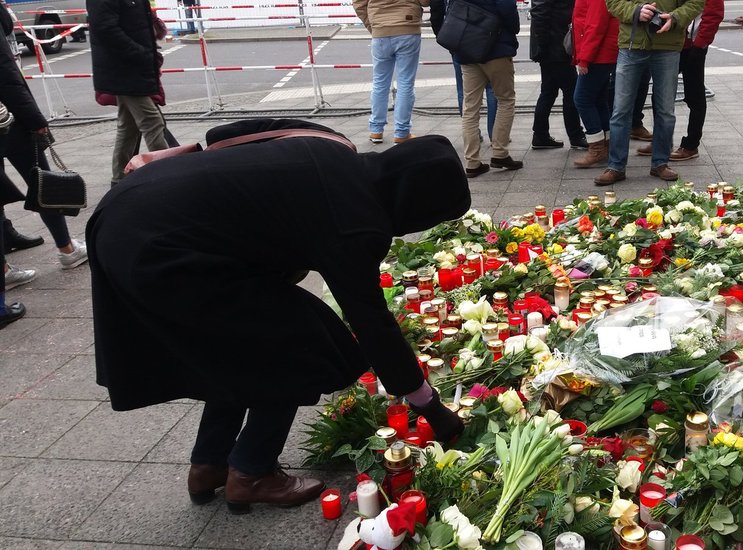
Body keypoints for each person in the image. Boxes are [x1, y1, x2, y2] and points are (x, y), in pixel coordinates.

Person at [87, 119, 468, 513]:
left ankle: (209, 464)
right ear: (417, 202)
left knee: (239, 348)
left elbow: (224, 137)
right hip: (162, 249)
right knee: (296, 346)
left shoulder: (336, 153)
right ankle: (251, 473)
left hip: (128, 213)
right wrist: (430, 407)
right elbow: (373, 324)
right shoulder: (357, 220)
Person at [0, 6, 87, 290]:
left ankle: (4, 263)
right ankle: (67, 249)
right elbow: (6, 76)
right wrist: (36, 120)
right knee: (41, 179)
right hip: (8, 118)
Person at [594, 0, 705, 186]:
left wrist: (676, 17)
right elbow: (612, 2)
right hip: (632, 44)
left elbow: (697, 2)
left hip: (668, 46)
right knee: (621, 110)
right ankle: (616, 166)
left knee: (665, 111)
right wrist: (635, 11)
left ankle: (660, 163)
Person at [430, 0, 522, 178]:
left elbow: (444, 8)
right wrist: (514, 29)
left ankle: (472, 162)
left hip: (467, 48)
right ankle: (500, 153)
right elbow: (508, 10)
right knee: (505, 100)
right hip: (497, 48)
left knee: (470, 106)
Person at [88, 0, 169, 185]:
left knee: (128, 127)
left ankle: (119, 179)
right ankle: (169, 174)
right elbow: (105, 29)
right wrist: (141, 53)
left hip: (130, 67)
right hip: (124, 69)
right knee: (152, 122)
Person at [637, 0, 723, 161]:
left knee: (694, 95)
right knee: (660, 94)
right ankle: (661, 141)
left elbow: (714, 14)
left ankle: (691, 145)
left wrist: (699, 45)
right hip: (671, 44)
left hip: (692, 45)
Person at [353, 0, 427, 144]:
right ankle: (402, 132)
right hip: (407, 27)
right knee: (405, 83)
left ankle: (376, 131)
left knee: (380, 83)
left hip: (380, 31)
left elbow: (358, 4)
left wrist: (373, 26)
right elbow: (425, 2)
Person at [529, 0, 586, 150]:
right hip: (555, 47)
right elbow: (539, 13)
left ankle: (540, 135)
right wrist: (543, 45)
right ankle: (576, 135)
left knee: (548, 91)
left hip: (552, 46)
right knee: (571, 91)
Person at [570, 0, 619, 168]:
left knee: (582, 99)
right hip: (603, 52)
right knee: (598, 99)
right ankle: (605, 143)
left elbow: (595, 26)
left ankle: (597, 147)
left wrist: (584, 58)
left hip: (598, 54)